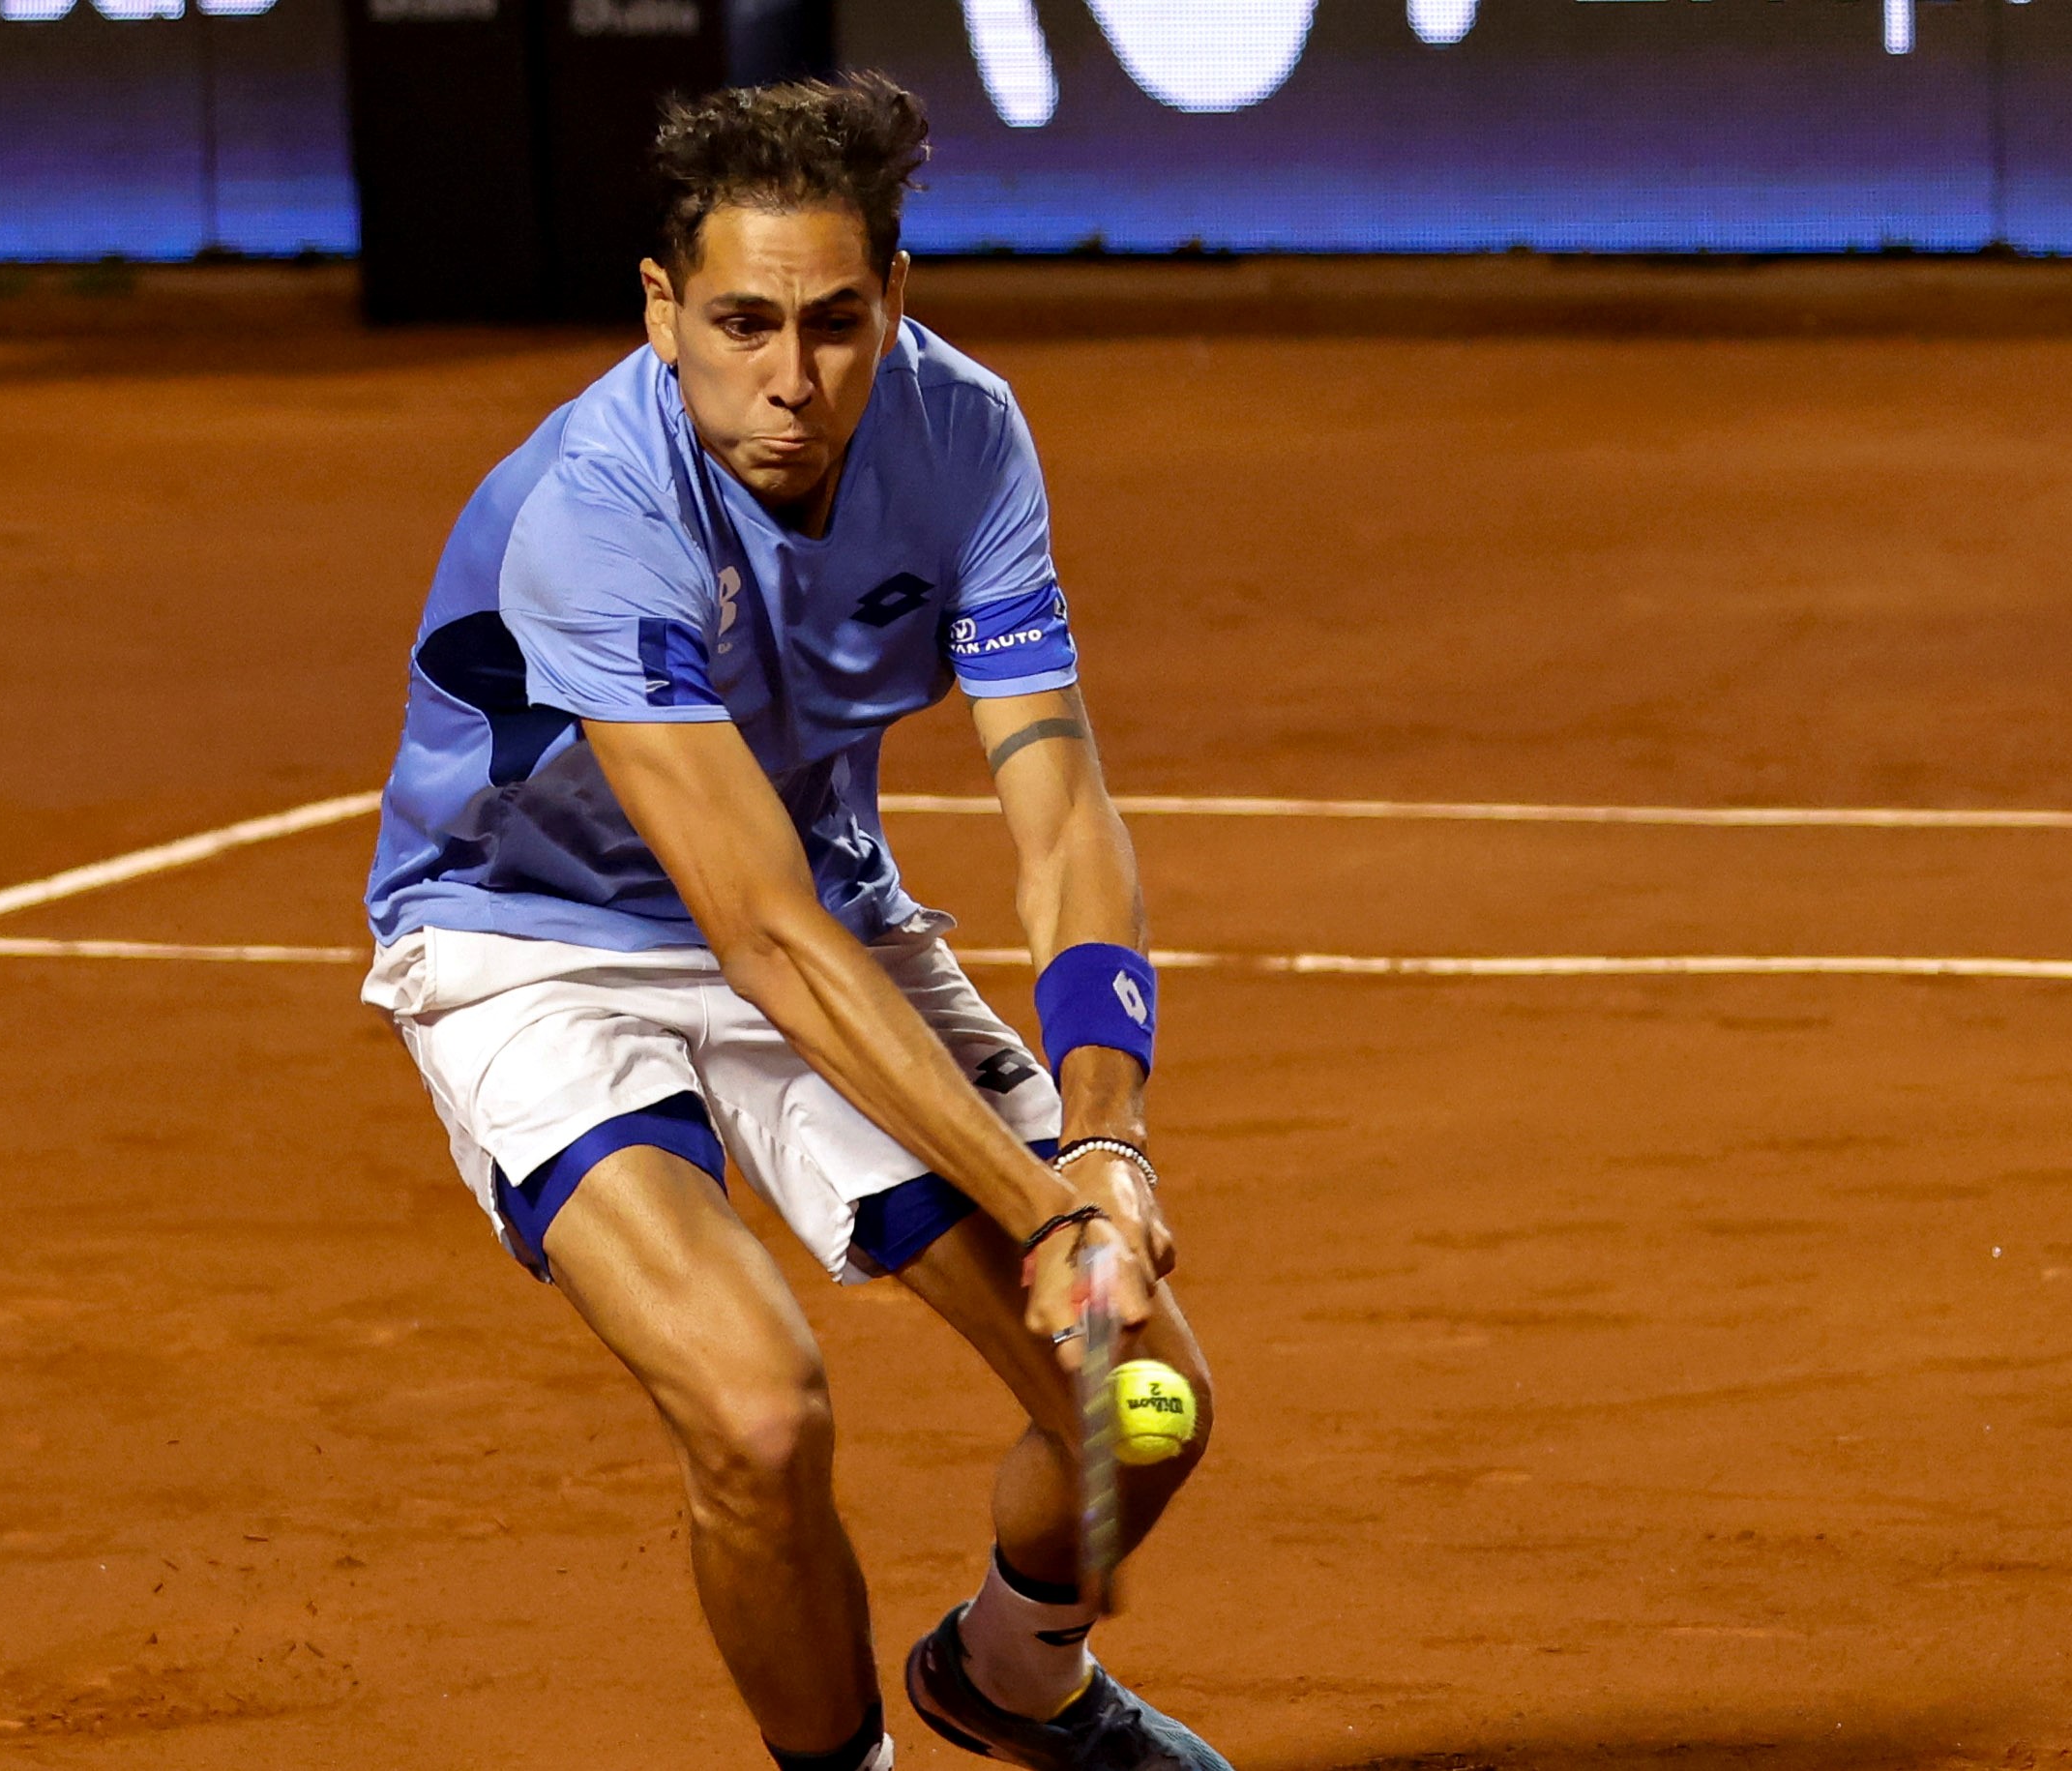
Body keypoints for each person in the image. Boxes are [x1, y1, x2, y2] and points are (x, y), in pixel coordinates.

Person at [357, 71, 1228, 1771]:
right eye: (743, 323)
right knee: (758, 1415)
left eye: (837, 323)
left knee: (1144, 1410)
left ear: (898, 299)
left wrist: (1112, 1148)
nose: (794, 379)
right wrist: (1041, 1204)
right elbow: (746, 931)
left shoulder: (964, 430)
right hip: (531, 946)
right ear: (662, 309)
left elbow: (1057, 803)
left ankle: (1015, 1673)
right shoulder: (589, 516)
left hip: (824, 909)